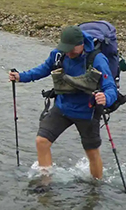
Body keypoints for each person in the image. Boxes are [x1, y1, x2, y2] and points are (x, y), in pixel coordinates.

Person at [8, 25, 117, 179]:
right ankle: (45, 183)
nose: (68, 52)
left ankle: (96, 188)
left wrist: (106, 98)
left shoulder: (97, 59)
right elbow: (44, 69)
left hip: (87, 111)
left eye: (72, 49)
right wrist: (21, 77)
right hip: (62, 107)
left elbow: (110, 87)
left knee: (92, 152)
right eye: (66, 48)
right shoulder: (59, 54)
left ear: (81, 44)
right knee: (42, 141)